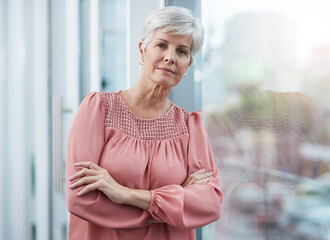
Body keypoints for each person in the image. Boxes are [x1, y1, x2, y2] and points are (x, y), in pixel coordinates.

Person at [65, 6, 223, 240]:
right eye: (161, 45)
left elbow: (210, 204)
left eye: (182, 51)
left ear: (188, 65)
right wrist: (173, 205)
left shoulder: (191, 127)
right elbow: (80, 198)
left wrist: (125, 194)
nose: (170, 57)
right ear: (142, 50)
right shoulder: (97, 109)